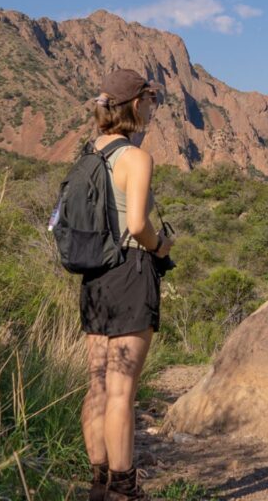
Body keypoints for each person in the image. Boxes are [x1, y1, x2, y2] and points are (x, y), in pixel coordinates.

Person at [80, 68, 174, 501]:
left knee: (98, 383)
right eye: (151, 102)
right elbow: (137, 224)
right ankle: (124, 489)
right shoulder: (135, 157)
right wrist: (160, 246)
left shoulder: (88, 153)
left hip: (95, 276)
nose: (153, 109)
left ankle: (99, 483)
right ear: (136, 104)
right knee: (122, 391)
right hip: (130, 273)